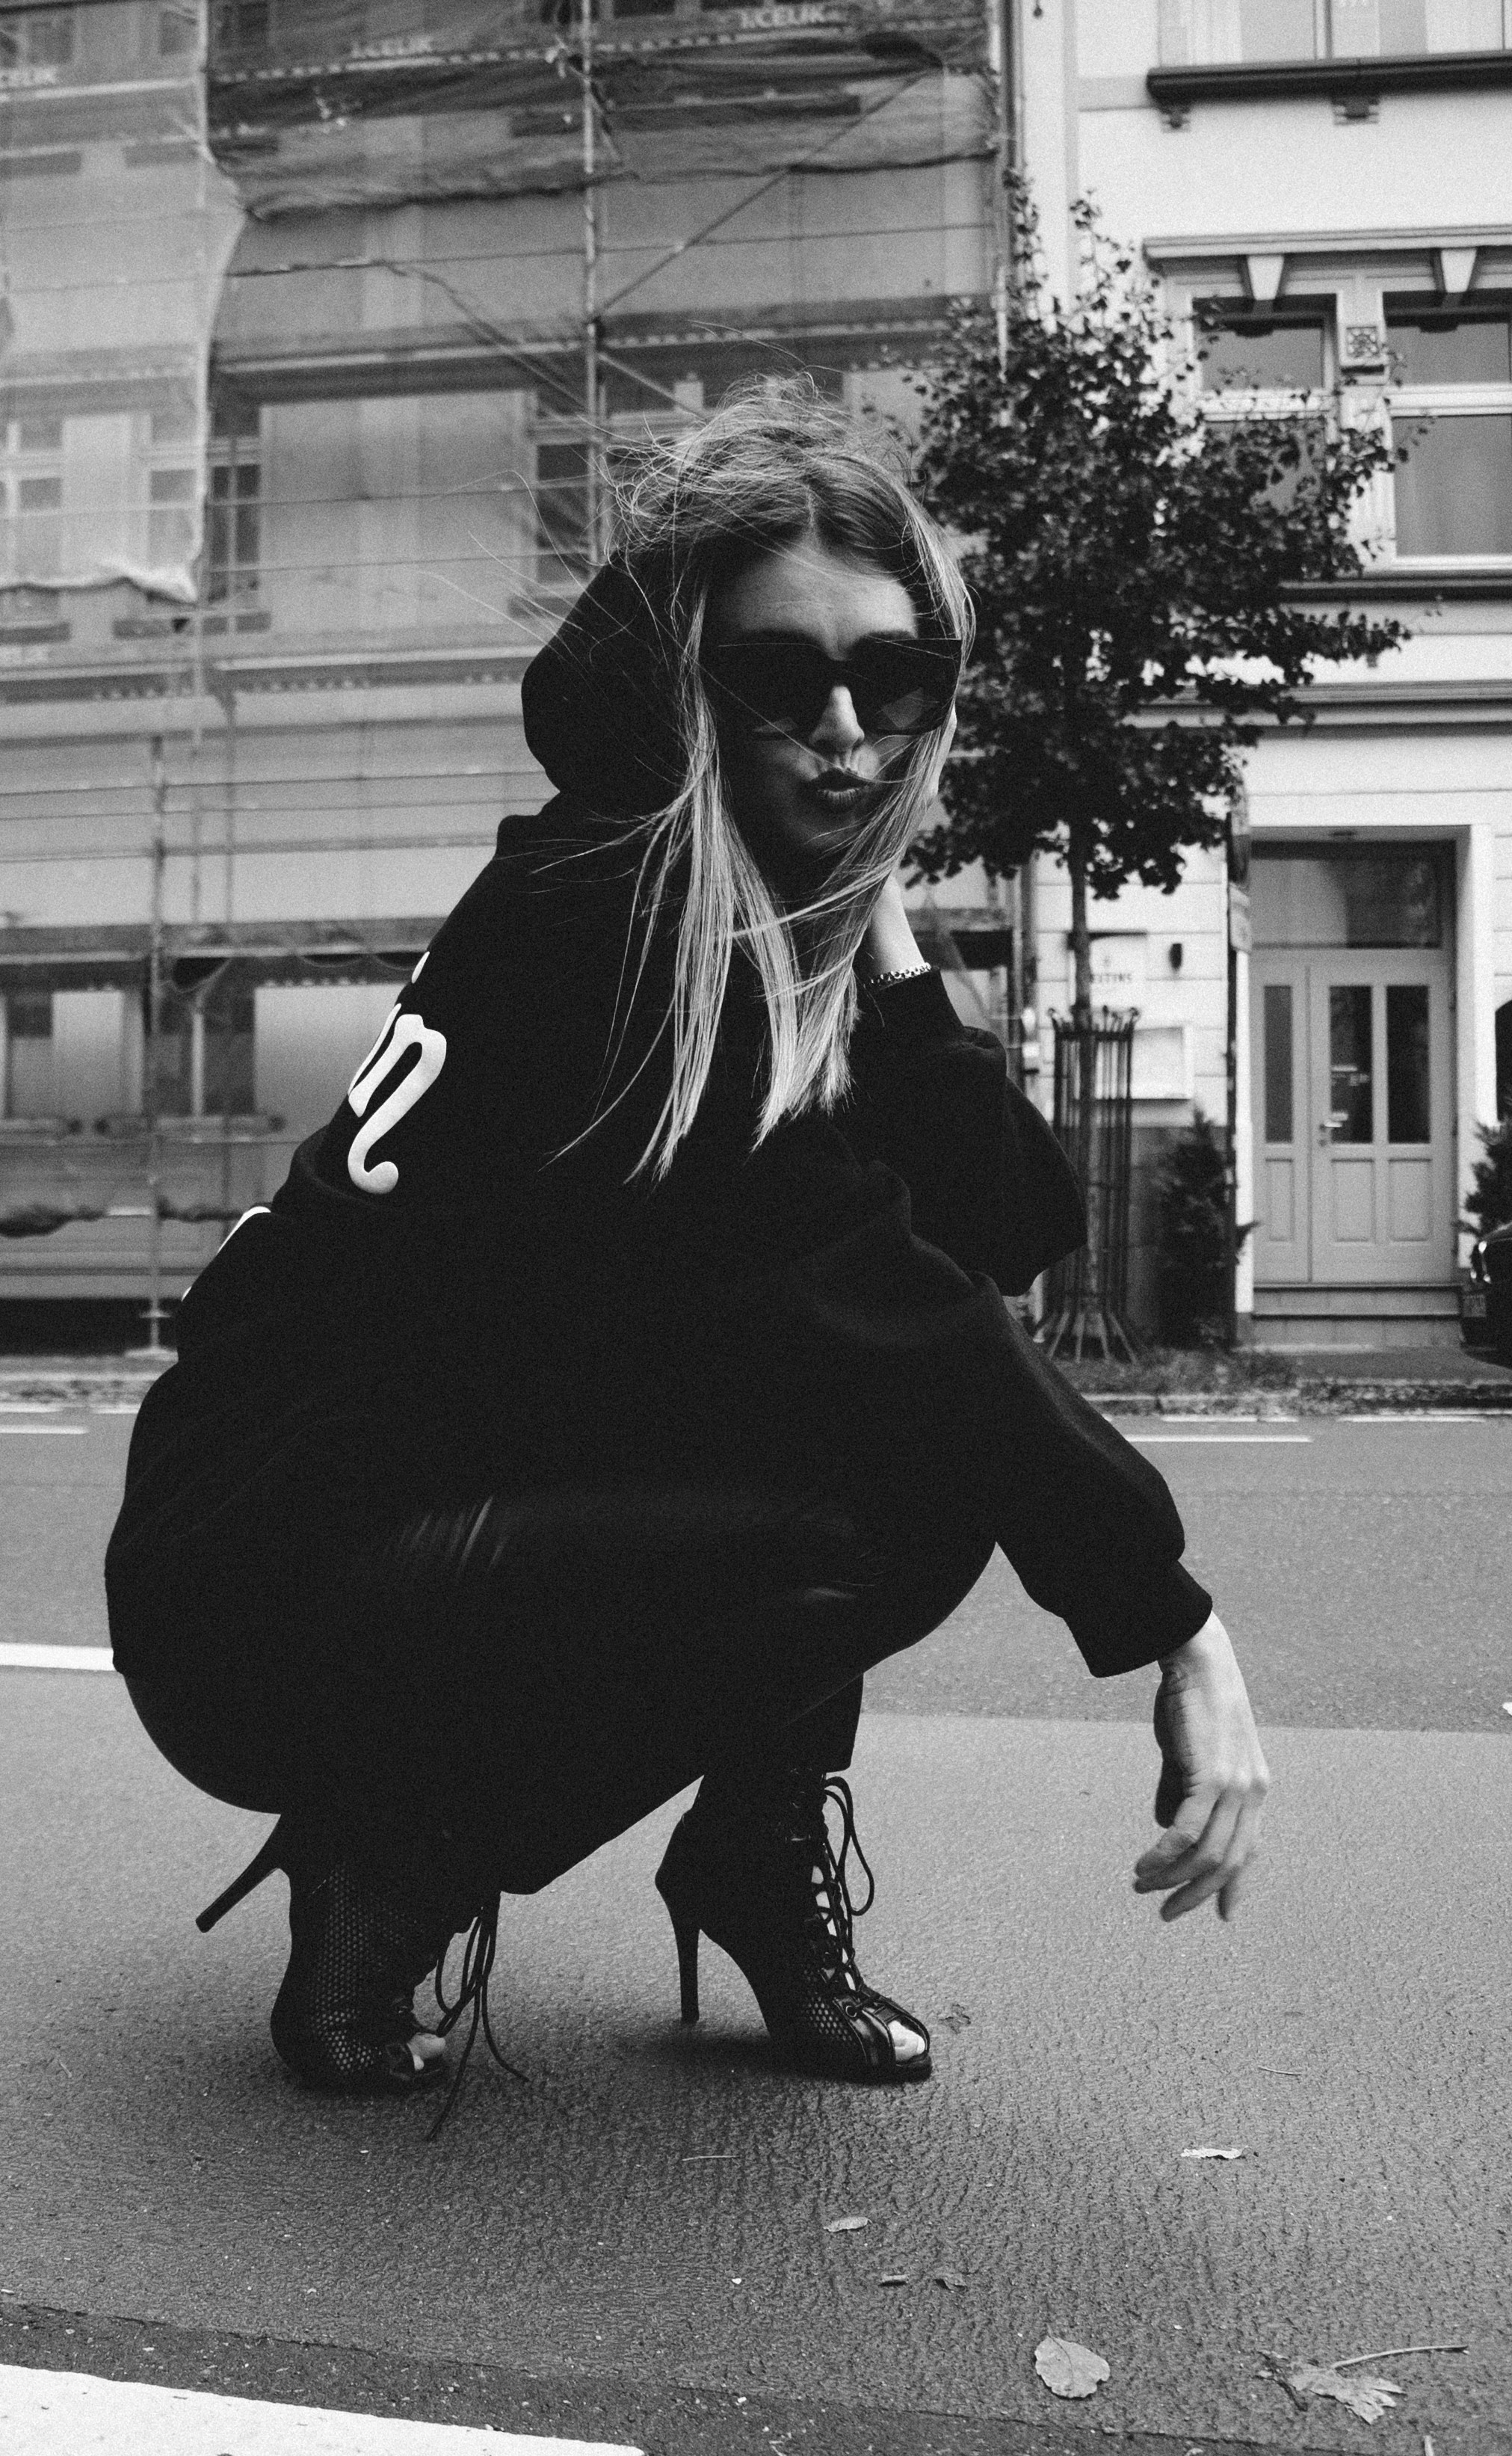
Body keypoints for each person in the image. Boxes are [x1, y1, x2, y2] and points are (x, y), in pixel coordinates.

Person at [106, 381, 1268, 2115]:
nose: (846, 732)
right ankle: (396, 1858)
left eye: (894, 680)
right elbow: (907, 1313)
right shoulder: (614, 914)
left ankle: (743, 1856)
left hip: (430, 1499)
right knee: (897, 1472)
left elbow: (1011, 1226)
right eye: (778, 676)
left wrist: (872, 922)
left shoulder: (751, 919)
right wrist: (1175, 1625)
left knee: (864, 1424)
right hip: (263, 1575)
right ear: (681, 680)